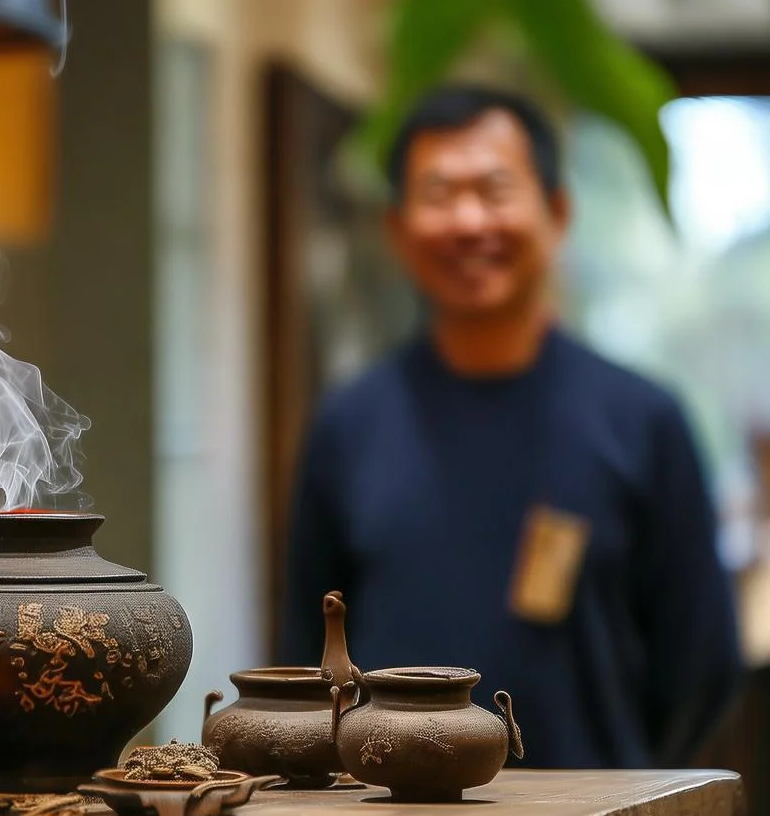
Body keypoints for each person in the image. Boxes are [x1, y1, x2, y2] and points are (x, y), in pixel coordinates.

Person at [280, 85, 742, 769]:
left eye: (495, 190)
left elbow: (700, 663)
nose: (468, 221)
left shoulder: (644, 420)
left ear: (557, 213)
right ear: (399, 230)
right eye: (439, 195)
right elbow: (307, 651)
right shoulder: (350, 424)